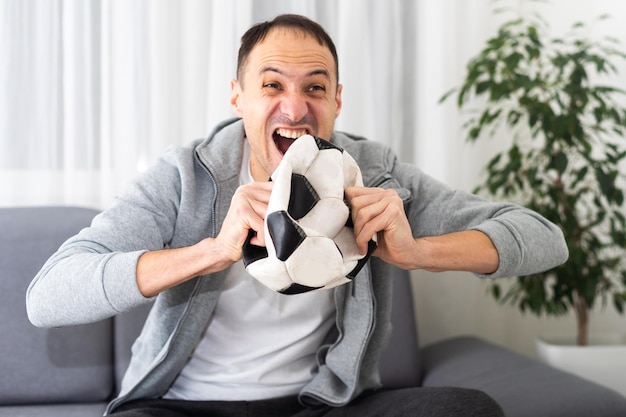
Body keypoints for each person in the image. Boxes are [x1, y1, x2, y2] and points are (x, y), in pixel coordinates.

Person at [26, 14, 568, 417]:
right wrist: (211, 250)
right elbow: (48, 296)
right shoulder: (182, 178)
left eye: (314, 87)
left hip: (322, 405)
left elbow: (544, 239)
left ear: (336, 100)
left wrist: (416, 252)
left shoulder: (373, 171)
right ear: (237, 97)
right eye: (272, 85)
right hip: (187, 406)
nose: (294, 107)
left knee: (466, 409)